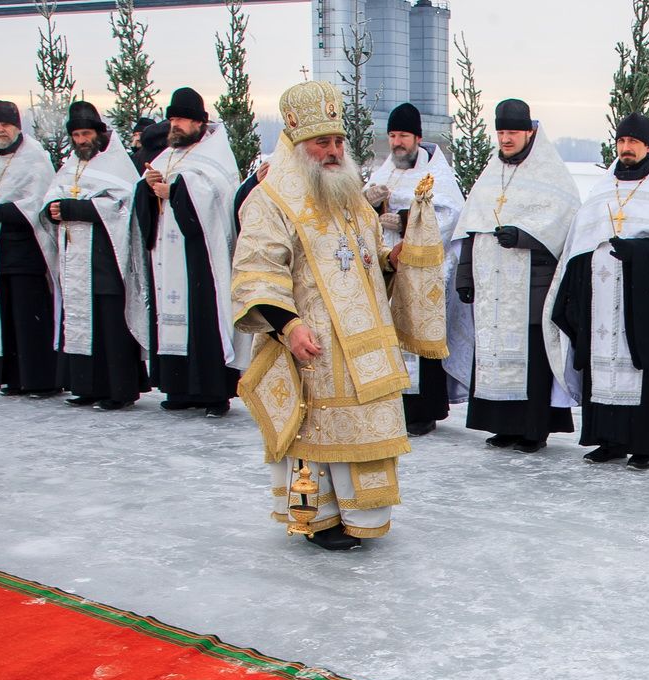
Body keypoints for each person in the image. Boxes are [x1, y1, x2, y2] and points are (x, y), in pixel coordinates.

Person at [233, 80, 412, 551]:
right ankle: (320, 519)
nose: (333, 152)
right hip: (313, 343)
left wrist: (391, 261)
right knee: (316, 432)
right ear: (296, 145)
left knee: (364, 428)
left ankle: (362, 515)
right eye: (321, 143)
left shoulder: (349, 196)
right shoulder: (271, 200)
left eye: (337, 141)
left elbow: (365, 258)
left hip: (365, 345)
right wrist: (288, 326)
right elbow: (256, 273)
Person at [546, 112, 649, 470]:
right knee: (601, 367)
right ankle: (608, 440)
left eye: (634, 142)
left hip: (643, 302)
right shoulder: (601, 192)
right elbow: (578, 244)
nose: (626, 148)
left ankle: (645, 444)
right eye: (621, 141)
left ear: (648, 147)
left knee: (641, 366)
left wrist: (638, 253)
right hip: (599, 298)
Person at [451, 99, 579, 453]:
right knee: (493, 356)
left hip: (531, 290)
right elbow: (472, 228)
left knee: (532, 363)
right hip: (491, 287)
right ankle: (503, 425)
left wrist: (523, 236)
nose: (506, 139)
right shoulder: (491, 174)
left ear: (530, 133)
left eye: (513, 133)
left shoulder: (551, 173)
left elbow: (565, 227)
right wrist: (465, 278)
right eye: (501, 133)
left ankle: (534, 430)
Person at [136, 87, 244, 418]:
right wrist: (148, 188)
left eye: (182, 119)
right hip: (167, 256)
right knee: (172, 319)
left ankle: (214, 393)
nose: (176, 125)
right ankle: (179, 388)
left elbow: (217, 196)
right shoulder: (166, 157)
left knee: (203, 319)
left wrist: (175, 191)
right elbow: (144, 200)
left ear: (200, 122)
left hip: (202, 256)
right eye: (172, 119)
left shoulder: (215, 155)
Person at [364, 102, 465, 436]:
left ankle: (423, 412)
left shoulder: (437, 174)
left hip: (422, 273)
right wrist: (368, 203)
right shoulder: (384, 171)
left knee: (419, 337)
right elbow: (359, 218)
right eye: (393, 136)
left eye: (403, 136)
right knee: (388, 338)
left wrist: (405, 220)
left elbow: (450, 215)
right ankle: (390, 405)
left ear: (418, 138)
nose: (397, 143)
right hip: (388, 270)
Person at [42, 101, 149, 410]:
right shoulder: (71, 166)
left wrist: (75, 208)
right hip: (76, 259)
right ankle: (85, 386)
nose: (81, 141)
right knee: (82, 320)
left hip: (107, 258)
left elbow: (123, 208)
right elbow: (51, 197)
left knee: (110, 326)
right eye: (76, 135)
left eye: (86, 134)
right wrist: (51, 210)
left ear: (99, 133)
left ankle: (118, 391)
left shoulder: (116, 164)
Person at [0, 104, 60, 397]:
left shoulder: (34, 159)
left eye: (6, 124)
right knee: (7, 316)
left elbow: (37, 203)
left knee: (29, 318)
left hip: (26, 251)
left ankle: (41, 380)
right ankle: (14, 378)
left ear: (18, 127)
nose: (0, 130)